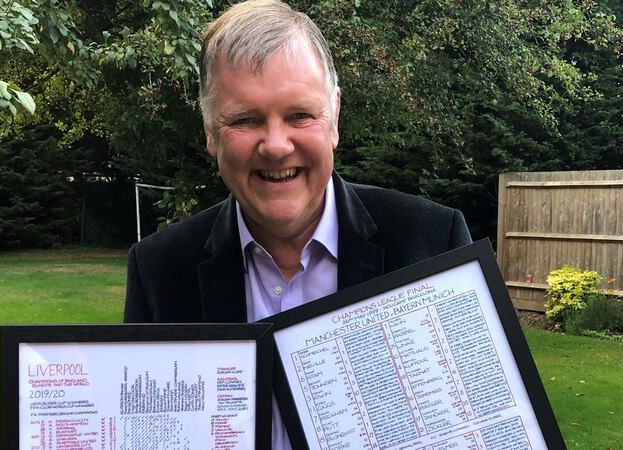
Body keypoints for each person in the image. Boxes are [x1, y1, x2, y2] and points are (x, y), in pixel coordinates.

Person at [124, 0, 472, 447]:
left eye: (299, 115)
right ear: (210, 131)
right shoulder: (159, 270)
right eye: (245, 120)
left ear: (334, 118)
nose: (275, 145)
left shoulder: (432, 242)